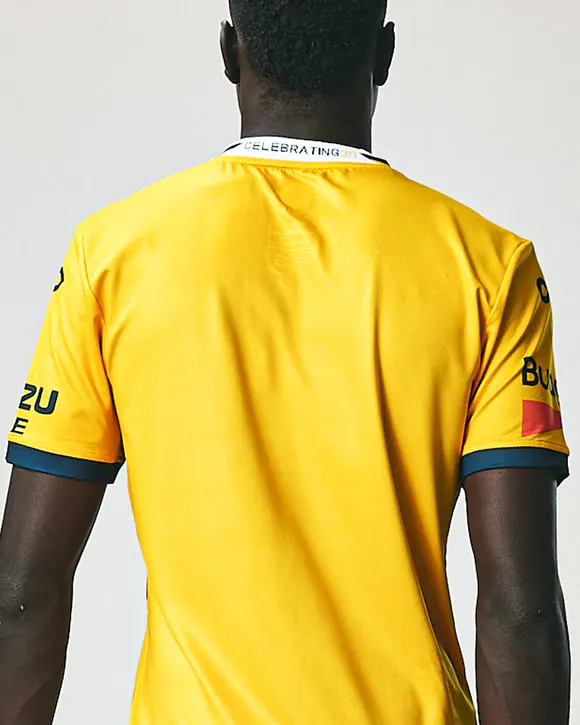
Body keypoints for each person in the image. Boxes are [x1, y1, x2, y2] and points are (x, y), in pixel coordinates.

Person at [0, 0, 571, 723]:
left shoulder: (111, 254)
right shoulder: (491, 266)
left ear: (229, 53)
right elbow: (521, 612)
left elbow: (23, 591)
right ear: (384, 56)